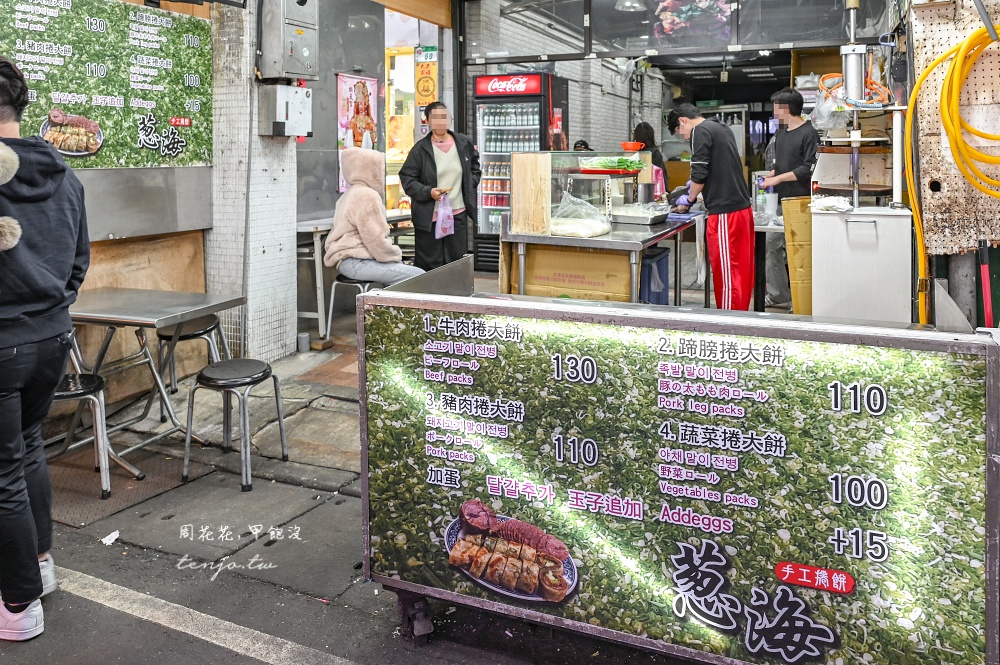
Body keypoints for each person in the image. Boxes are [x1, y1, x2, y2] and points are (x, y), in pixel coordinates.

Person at [0, 56, 89, 640]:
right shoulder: (66, 174)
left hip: (3, 342)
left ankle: (17, 607)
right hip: (53, 335)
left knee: (4, 471)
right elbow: (79, 260)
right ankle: (41, 566)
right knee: (29, 448)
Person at [667, 103, 754, 311]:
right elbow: (717, 167)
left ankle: (728, 323)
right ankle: (740, 319)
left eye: (681, 133)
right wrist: (694, 189)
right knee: (740, 272)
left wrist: (688, 199)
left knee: (727, 275)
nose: (685, 138)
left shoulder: (699, 131)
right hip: (742, 210)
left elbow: (699, 172)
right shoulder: (721, 127)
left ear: (683, 121)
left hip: (726, 214)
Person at [399, 101, 481, 271]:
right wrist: (428, 192)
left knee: (455, 261)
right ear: (427, 121)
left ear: (449, 119)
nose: (440, 121)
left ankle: (454, 296)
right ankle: (429, 296)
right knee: (430, 264)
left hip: (456, 213)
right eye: (435, 117)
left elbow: (475, 167)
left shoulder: (463, 143)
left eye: (444, 116)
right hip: (430, 217)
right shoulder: (420, 150)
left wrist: (467, 185)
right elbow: (407, 178)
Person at [324, 147, 424, 285]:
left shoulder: (349, 193)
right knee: (419, 276)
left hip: (346, 261)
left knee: (399, 273)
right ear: (371, 170)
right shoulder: (367, 195)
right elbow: (376, 240)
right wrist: (396, 257)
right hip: (358, 261)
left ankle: (388, 306)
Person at [760, 87, 819, 308]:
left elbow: (808, 168)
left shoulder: (809, 133)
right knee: (771, 247)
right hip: (781, 204)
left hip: (802, 202)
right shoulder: (782, 134)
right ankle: (779, 295)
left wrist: (778, 179)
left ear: (785, 108)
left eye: (776, 106)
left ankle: (804, 300)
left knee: (801, 252)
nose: (774, 111)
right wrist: (772, 175)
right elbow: (783, 165)